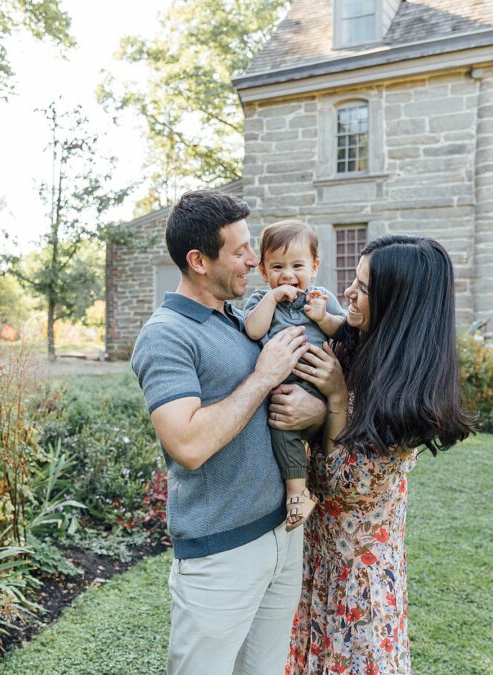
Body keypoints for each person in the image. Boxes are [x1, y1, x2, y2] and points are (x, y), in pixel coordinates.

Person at [130, 190, 327, 675]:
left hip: (282, 532)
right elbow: (189, 444)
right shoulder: (167, 334)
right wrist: (264, 375)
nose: (252, 260)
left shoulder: (239, 316)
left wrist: (317, 407)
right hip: (221, 555)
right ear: (198, 260)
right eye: (240, 251)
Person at [281, 234, 475, 674]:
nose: (348, 292)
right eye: (354, 278)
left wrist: (333, 398)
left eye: (364, 288)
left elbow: (343, 484)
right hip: (319, 561)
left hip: (357, 585)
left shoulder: (410, 395)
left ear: (398, 305)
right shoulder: (366, 347)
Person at [243, 220, 346, 532]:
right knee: (281, 429)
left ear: (314, 267)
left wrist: (323, 317)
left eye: (297, 265)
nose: (287, 274)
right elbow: (253, 329)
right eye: (277, 266)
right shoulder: (262, 301)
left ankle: (323, 481)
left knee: (325, 438)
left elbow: (344, 332)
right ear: (263, 272)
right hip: (285, 393)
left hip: (318, 387)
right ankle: (297, 496)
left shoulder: (320, 297)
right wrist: (272, 299)